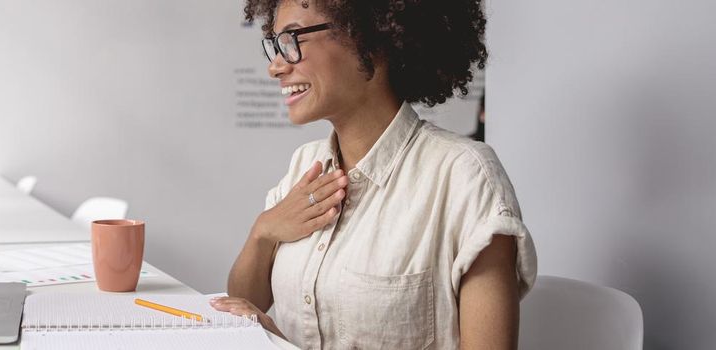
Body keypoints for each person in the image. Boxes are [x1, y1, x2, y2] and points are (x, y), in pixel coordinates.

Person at [209, 1, 536, 349]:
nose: (275, 67)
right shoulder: (304, 165)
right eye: (275, 45)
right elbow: (244, 302)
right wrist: (265, 230)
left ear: (367, 40)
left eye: (292, 40)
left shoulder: (465, 177)